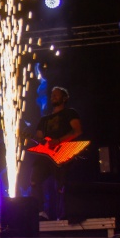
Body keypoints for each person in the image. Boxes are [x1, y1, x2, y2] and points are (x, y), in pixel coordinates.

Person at [29, 86, 83, 220]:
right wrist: (34, 140)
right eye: (52, 94)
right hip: (45, 155)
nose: (53, 96)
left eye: (56, 94)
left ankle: (63, 215)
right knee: (34, 180)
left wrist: (58, 141)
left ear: (64, 98)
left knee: (61, 185)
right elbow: (39, 137)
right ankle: (41, 213)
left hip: (62, 153)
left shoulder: (70, 113)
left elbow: (77, 131)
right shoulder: (44, 120)